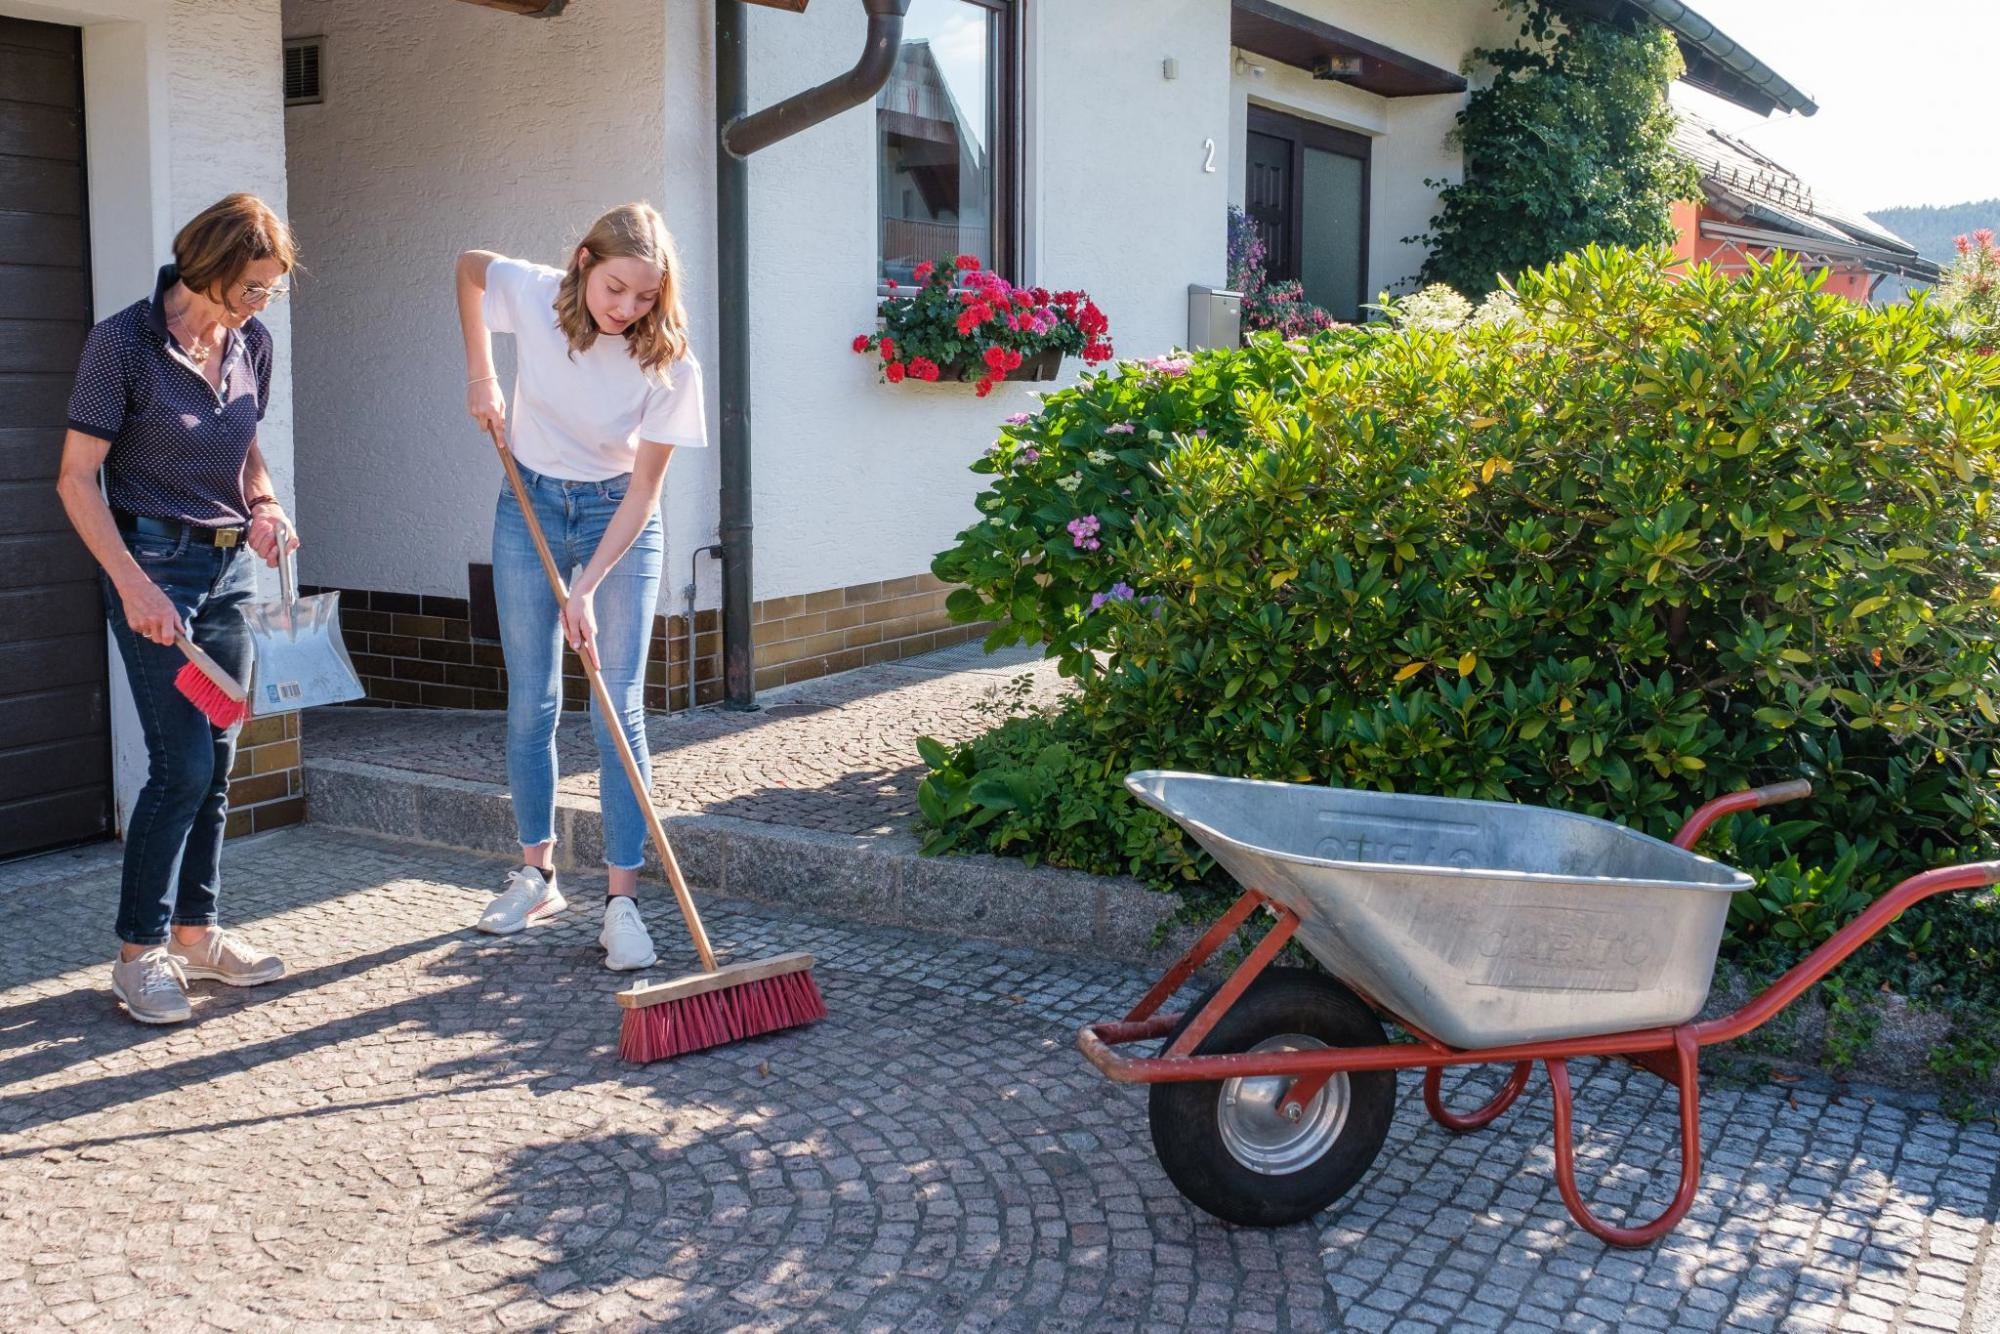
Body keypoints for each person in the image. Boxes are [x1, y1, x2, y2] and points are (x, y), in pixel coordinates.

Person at [54, 193, 301, 1024]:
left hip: (228, 572)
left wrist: (265, 506)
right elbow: (75, 479)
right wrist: (132, 585)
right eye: (256, 285)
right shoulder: (121, 344)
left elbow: (245, 445)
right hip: (151, 570)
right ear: (210, 271)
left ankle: (198, 933)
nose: (266, 301)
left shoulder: (250, 344)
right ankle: (138, 953)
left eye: (272, 287)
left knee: (220, 761)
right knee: (183, 764)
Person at [455, 202, 708, 970]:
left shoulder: (670, 362)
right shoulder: (535, 296)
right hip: (526, 500)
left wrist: (589, 586)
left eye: (644, 298)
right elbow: (468, 267)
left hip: (615, 516)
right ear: (584, 261)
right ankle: (535, 875)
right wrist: (482, 373)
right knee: (531, 700)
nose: (626, 309)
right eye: (616, 289)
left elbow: (644, 493)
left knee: (615, 707)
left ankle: (622, 903)